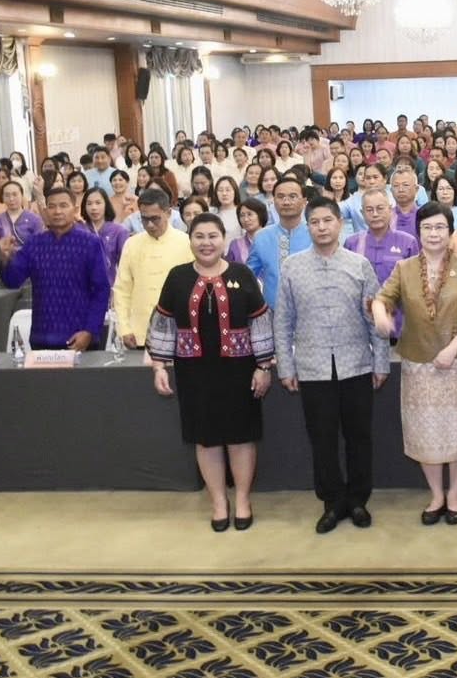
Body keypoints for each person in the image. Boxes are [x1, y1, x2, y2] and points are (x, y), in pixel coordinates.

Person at [149, 214, 274, 532]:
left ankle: (243, 499)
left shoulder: (242, 274)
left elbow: (259, 322)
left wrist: (263, 367)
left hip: (239, 371)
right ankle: (219, 501)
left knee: (241, 438)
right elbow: (163, 323)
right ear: (189, 240)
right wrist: (159, 365)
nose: (206, 243)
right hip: (194, 371)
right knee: (205, 439)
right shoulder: (177, 277)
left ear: (223, 239)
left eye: (213, 236)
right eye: (199, 236)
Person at [275, 197, 390, 534]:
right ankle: (332, 501)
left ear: (340, 223)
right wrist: (286, 367)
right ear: (307, 226)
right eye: (315, 222)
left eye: (328, 220)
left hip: (356, 365)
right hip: (312, 368)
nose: (322, 227)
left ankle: (357, 500)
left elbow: (374, 319)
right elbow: (283, 322)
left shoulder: (359, 265)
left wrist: (380, 362)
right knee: (322, 438)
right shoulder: (292, 267)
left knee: (359, 437)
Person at [373, 202, 457, 526]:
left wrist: (452, 349)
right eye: (427, 228)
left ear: (450, 231)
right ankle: (436, 494)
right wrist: (381, 314)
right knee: (424, 433)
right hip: (418, 362)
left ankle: (454, 494)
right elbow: (383, 299)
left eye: (440, 227)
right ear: (418, 232)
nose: (434, 233)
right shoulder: (405, 268)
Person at [0, 188, 111, 351]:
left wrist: (89, 331)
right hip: (42, 336)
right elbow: (12, 281)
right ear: (46, 211)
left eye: (63, 205)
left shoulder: (90, 243)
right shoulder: (34, 243)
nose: (57, 211)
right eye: (52, 206)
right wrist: (4, 257)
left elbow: (101, 290)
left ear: (75, 209)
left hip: (80, 338)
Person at [112, 188, 193, 349]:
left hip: (179, 330)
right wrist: (124, 328)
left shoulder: (187, 243)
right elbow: (122, 290)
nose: (149, 224)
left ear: (168, 213)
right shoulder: (132, 244)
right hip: (139, 333)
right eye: (144, 219)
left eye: (155, 218)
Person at [247, 177, 311, 307]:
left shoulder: (315, 234)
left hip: (310, 312)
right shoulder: (261, 237)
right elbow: (249, 276)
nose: (286, 202)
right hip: (272, 313)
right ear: (273, 201)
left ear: (304, 202)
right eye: (280, 197)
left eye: (292, 196)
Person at [0, 180, 44, 250]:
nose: (11, 199)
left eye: (15, 194)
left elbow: (41, 246)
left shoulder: (34, 219)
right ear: (2, 198)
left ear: (22, 195)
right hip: (6, 259)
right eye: (7, 195)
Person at [228, 198, 268, 265]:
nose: (246, 219)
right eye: (242, 215)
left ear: (260, 215)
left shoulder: (273, 240)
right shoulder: (235, 244)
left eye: (250, 214)